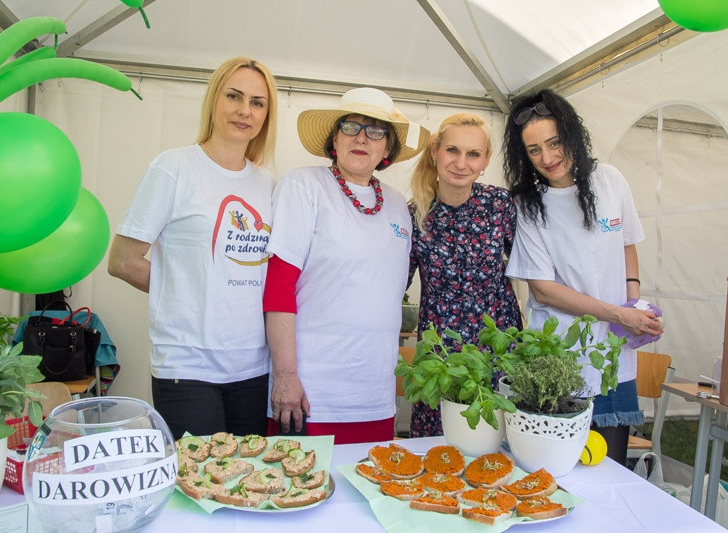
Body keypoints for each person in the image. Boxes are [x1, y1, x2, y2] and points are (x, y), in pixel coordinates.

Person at [107, 57, 278, 439]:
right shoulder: (174, 167)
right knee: (198, 485)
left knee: (248, 484)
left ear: (267, 114)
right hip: (187, 365)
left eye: (257, 102)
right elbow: (122, 261)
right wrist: (183, 288)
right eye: (234, 96)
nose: (244, 110)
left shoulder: (267, 183)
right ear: (214, 100)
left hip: (252, 366)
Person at [503, 88, 664, 466]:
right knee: (556, 468)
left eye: (554, 142)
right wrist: (619, 314)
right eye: (534, 150)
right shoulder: (529, 204)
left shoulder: (610, 180)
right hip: (558, 355)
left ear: (571, 134)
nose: (547, 157)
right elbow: (544, 291)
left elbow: (627, 242)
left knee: (610, 465)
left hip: (613, 353)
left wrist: (634, 300)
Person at [263, 87, 429, 444]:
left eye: (376, 131)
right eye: (351, 127)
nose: (362, 139)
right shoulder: (304, 185)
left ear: (387, 148)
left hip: (374, 396)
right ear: (334, 138)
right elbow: (278, 287)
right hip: (310, 395)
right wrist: (286, 376)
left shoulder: (400, 205)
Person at [406, 112, 523, 437]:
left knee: (495, 452)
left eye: (473, 154)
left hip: (497, 350)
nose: (461, 162)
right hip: (441, 358)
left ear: (485, 160)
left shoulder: (499, 205)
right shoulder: (416, 214)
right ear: (435, 152)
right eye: (452, 150)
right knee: (439, 454)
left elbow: (531, 267)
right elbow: (394, 285)